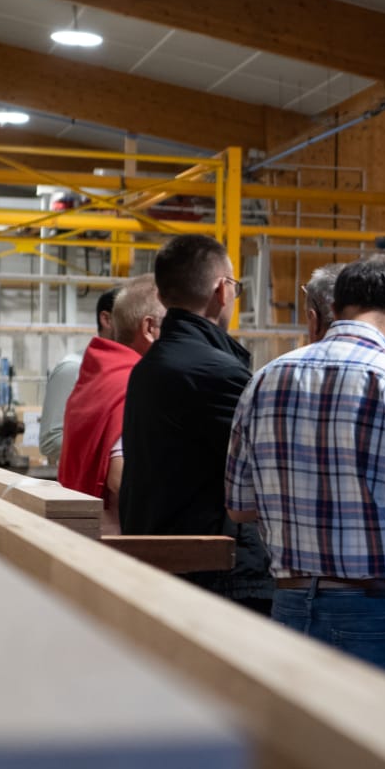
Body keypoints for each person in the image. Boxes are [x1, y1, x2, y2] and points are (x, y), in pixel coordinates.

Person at [226, 255, 385, 695]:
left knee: (308, 756)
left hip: (290, 606)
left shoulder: (265, 381)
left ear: (335, 305)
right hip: (380, 614)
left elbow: (240, 508)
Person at [122, 234, 273, 613]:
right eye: (235, 286)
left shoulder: (148, 368)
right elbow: (267, 471)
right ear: (222, 290)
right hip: (219, 575)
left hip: (164, 563)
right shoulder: (217, 373)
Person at [55, 277, 161, 535]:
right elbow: (120, 478)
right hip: (116, 543)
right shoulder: (130, 384)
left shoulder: (97, 378)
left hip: (81, 533)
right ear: (149, 328)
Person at [40, 288, 116, 471]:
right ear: (106, 319)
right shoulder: (73, 368)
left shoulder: (132, 370)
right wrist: (114, 455)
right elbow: (51, 440)